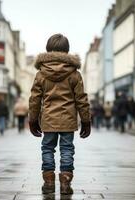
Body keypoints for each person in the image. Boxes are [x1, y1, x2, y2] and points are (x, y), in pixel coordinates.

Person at [29, 34, 91, 195]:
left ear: (48, 50)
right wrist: (86, 120)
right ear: (67, 50)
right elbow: (81, 99)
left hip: (48, 120)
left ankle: (49, 182)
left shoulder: (41, 74)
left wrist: (32, 120)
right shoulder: (74, 74)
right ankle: (65, 183)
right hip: (68, 120)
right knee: (67, 149)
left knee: (48, 149)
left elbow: (35, 99)